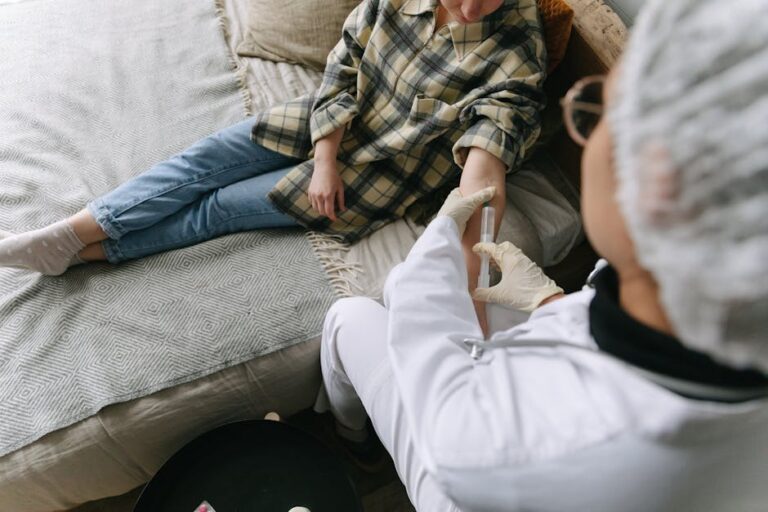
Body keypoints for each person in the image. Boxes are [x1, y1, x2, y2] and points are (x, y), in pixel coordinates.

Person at [318, 0, 768, 510]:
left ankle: (353, 441)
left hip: (464, 485)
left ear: (655, 182)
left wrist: (435, 249)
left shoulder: (506, 444)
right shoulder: (727, 308)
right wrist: (551, 300)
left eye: (601, 110)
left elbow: (451, 434)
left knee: (349, 316)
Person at [0, 0, 546, 332]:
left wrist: (478, 287)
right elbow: (344, 63)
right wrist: (325, 156)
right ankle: (67, 233)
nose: (472, 10)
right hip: (329, 121)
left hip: (378, 175)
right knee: (204, 159)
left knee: (216, 209)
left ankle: (80, 253)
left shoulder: (518, 49)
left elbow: (484, 177)